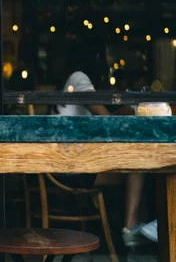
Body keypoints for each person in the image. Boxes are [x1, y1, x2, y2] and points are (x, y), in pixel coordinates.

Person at [53, 41, 149, 247]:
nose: (107, 60)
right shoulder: (79, 78)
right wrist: (129, 111)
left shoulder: (73, 79)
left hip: (65, 165)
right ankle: (130, 229)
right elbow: (104, 117)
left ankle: (132, 229)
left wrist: (123, 111)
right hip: (68, 170)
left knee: (137, 168)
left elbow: (101, 121)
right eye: (104, 55)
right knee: (138, 165)